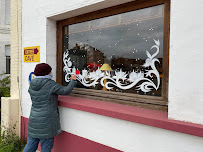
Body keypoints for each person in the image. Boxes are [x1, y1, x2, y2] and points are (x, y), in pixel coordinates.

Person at [23, 63, 76, 152]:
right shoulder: (50, 84)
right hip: (47, 122)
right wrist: (73, 80)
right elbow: (65, 90)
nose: (51, 73)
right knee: (46, 147)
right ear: (46, 73)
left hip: (34, 119)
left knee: (31, 145)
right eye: (50, 71)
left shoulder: (32, 84)